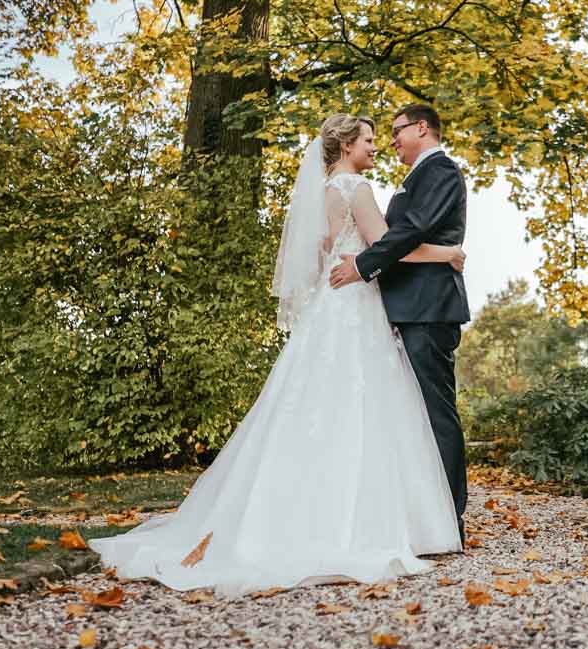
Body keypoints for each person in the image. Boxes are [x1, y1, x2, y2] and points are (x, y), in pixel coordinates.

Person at [89, 113, 465, 598]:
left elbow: (329, 253)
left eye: (383, 137)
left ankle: (297, 513)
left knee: (314, 409)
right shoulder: (358, 188)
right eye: (370, 139)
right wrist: (448, 255)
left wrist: (362, 263)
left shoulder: (326, 190)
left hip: (332, 308)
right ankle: (380, 521)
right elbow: (389, 247)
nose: (378, 145)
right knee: (367, 410)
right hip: (357, 308)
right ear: (347, 144)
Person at [329, 103, 471, 546]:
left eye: (396, 131)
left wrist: (364, 265)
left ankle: (450, 519)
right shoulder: (414, 178)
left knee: (434, 414)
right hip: (411, 308)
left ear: (422, 128)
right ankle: (425, 518)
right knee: (417, 415)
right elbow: (402, 234)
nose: (390, 141)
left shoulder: (440, 172)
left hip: (429, 309)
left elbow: (410, 228)